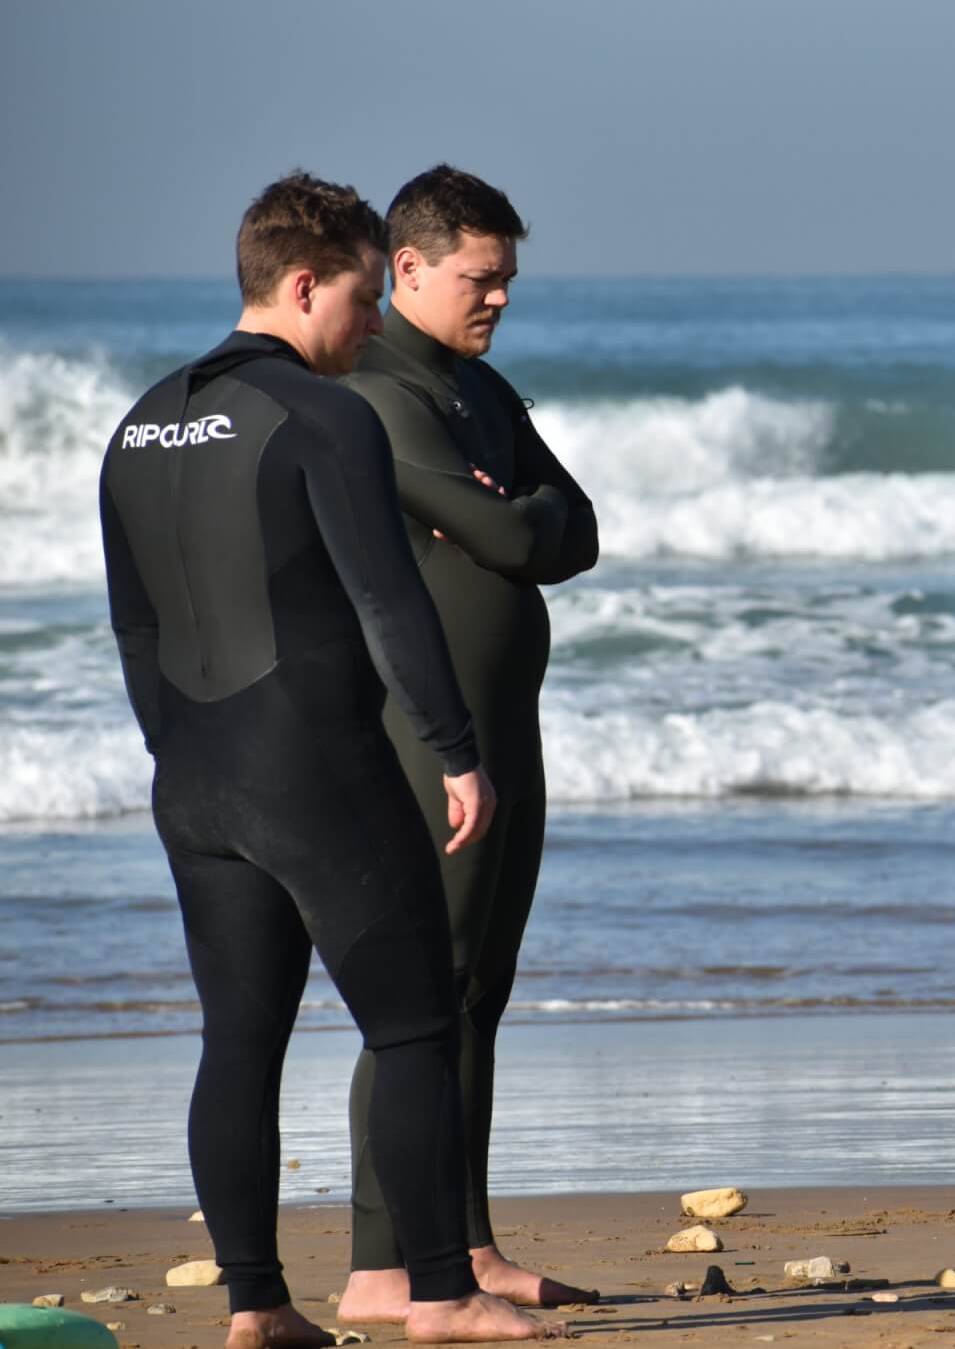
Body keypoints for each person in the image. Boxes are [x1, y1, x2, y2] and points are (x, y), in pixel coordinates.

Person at [98, 171, 556, 1346]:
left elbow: (137, 626)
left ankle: (257, 1304)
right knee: (414, 1026)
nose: (365, 328)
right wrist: (456, 752)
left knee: (238, 1042)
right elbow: (387, 599)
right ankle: (439, 1291)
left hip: (195, 782)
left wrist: (184, 753)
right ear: (304, 285)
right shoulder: (324, 415)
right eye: (359, 298)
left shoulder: (143, 418)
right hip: (319, 773)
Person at [335, 165, 600, 1319]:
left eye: (507, 280)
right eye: (478, 279)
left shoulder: (481, 390)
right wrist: (507, 514)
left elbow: (571, 528)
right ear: (407, 267)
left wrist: (515, 515)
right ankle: (379, 1260)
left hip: (510, 726)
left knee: (481, 989)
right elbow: (507, 522)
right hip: (425, 731)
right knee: (423, 990)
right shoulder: (376, 388)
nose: (497, 299)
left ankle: (469, 1242)